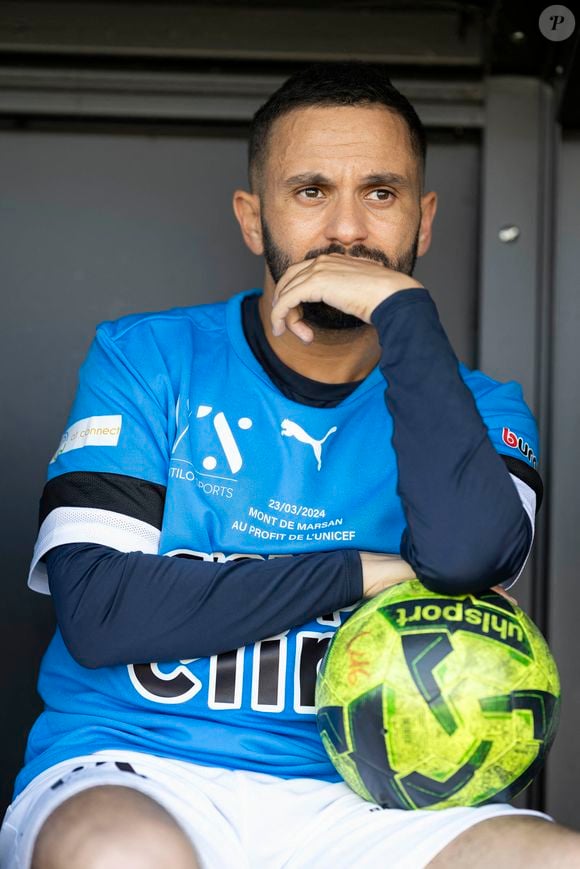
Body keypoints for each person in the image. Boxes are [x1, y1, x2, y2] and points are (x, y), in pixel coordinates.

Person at [1, 60, 578, 869]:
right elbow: (100, 609)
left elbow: (467, 557)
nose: (347, 229)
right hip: (146, 767)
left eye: (382, 193)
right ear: (252, 216)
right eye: (311, 191)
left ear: (424, 219)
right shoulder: (149, 358)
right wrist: (361, 571)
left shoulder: (484, 408)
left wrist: (400, 308)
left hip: (386, 801)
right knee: (120, 855)